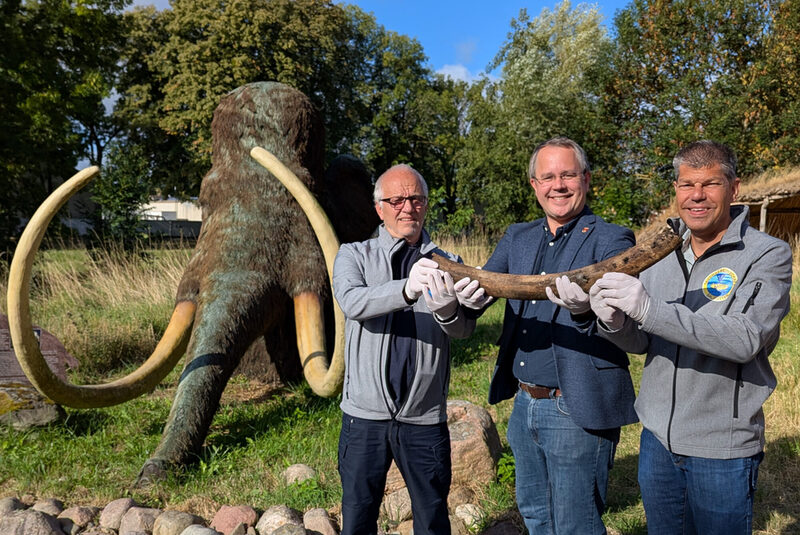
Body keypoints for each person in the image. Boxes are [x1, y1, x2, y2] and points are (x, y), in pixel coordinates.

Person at [590, 140, 792, 534]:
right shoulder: (659, 253)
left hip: (722, 448)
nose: (696, 196)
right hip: (657, 443)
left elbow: (746, 338)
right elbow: (645, 343)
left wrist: (651, 310)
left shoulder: (767, 254)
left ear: (734, 189)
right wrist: (615, 323)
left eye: (709, 184)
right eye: (686, 185)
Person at [456, 137, 638, 534]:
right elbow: (480, 297)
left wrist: (585, 308)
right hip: (524, 404)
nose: (558, 185)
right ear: (534, 185)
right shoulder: (518, 237)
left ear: (586, 180)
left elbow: (624, 323)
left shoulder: (612, 240)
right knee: (536, 514)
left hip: (576, 404)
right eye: (548, 176)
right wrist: (455, 301)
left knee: (576, 524)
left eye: (568, 175)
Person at [332, 164, 476, 535]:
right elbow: (352, 302)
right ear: (379, 208)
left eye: (415, 199)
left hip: (423, 417)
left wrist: (449, 312)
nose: (406, 207)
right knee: (358, 517)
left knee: (431, 517)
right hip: (364, 416)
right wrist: (406, 290)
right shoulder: (354, 255)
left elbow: (461, 332)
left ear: (426, 206)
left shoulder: (449, 264)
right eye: (396, 200)